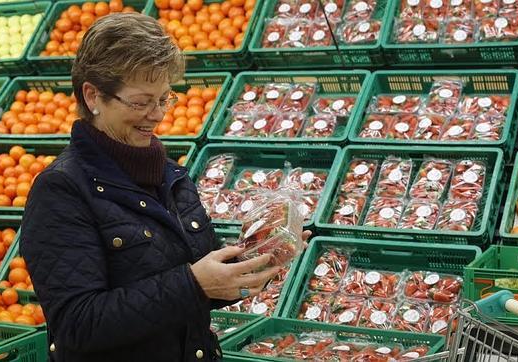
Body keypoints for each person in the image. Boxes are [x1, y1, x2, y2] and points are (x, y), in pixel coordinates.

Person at [19, 13, 305, 362]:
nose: (156, 115)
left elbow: (200, 281)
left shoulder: (171, 175)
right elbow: (76, 324)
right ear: (93, 96)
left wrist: (259, 256)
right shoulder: (61, 190)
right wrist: (194, 284)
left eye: (165, 99)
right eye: (140, 102)